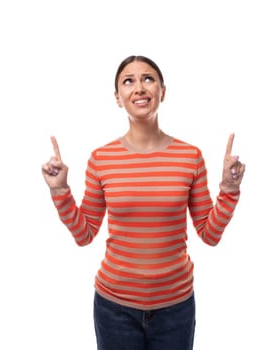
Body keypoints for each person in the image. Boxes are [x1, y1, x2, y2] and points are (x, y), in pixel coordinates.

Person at [41, 55, 245, 350]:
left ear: (163, 91)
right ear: (117, 97)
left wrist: (228, 189)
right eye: (128, 81)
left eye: (148, 79)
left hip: (176, 309)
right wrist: (60, 191)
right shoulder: (101, 159)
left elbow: (209, 234)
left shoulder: (190, 157)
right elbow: (84, 234)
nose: (139, 87)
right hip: (114, 310)